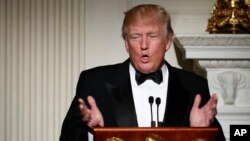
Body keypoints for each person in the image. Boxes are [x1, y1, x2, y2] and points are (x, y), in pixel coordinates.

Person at [60, 4, 226, 141]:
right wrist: (94, 133)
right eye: (135, 36)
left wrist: (200, 133)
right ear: (126, 43)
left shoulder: (194, 86)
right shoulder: (93, 83)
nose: (144, 44)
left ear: (168, 41)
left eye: (152, 36)